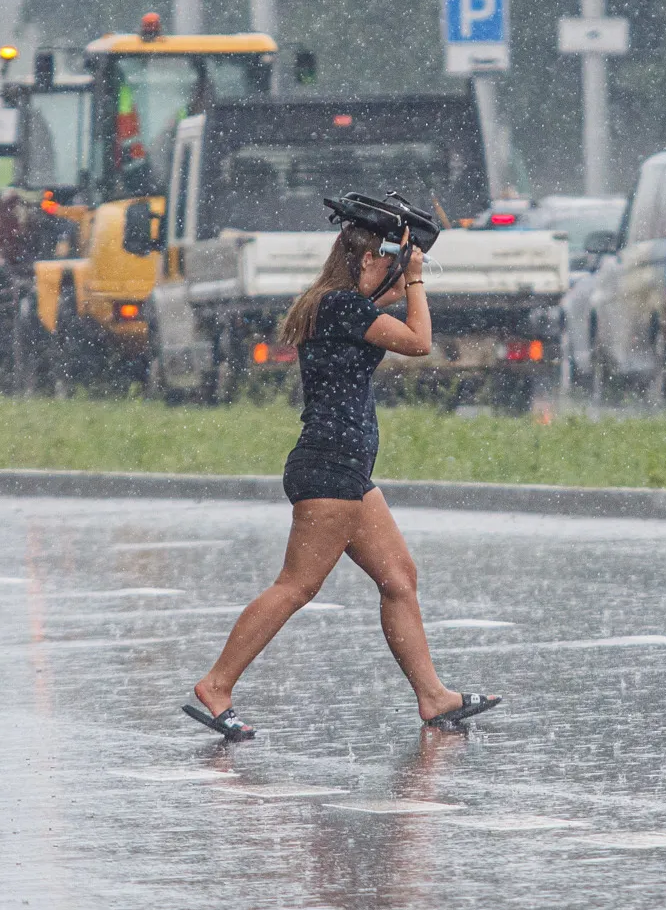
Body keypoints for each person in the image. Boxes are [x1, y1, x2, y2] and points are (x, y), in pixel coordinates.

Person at [182, 219, 501, 740]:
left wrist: (405, 270)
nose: (393, 271)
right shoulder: (341, 307)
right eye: (384, 259)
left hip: (347, 471)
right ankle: (216, 685)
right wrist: (417, 278)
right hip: (329, 467)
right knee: (296, 585)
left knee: (399, 577)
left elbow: (389, 297)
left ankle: (432, 696)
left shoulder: (342, 306)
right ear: (361, 262)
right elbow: (420, 341)